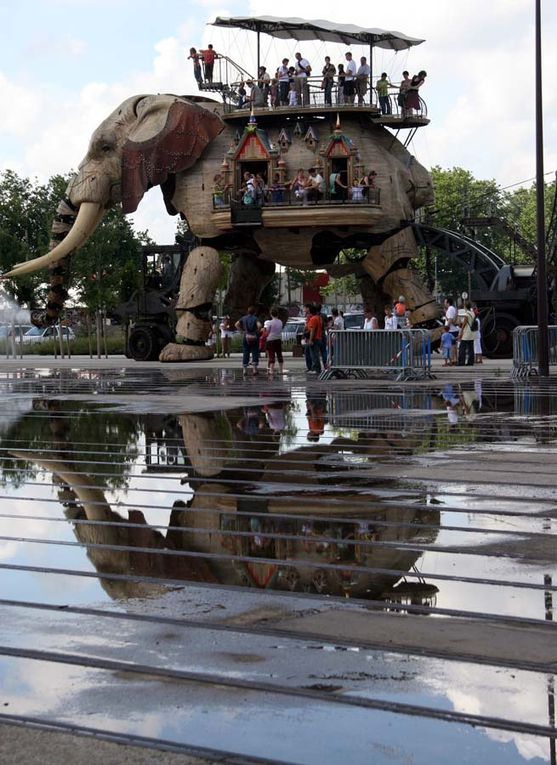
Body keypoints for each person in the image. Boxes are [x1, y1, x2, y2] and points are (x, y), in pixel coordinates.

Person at [235, 306, 262, 376]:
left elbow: (236, 324)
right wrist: (257, 332)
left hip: (246, 336)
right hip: (254, 337)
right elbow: (259, 326)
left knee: (246, 352)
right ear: (254, 312)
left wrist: (242, 331)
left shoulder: (244, 318)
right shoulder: (255, 318)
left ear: (248, 311)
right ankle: (254, 369)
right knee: (255, 352)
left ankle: (244, 370)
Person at [265, 307, 285, 375]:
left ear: (271, 314)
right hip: (278, 339)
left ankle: (271, 370)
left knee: (271, 355)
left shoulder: (270, 323)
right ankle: (281, 370)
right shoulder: (280, 322)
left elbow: (267, 332)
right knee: (279, 354)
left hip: (271, 340)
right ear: (277, 314)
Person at [305, 303, 323, 374]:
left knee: (314, 355)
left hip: (315, 339)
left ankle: (316, 369)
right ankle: (316, 368)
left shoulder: (313, 319)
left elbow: (312, 330)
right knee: (315, 354)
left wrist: (310, 340)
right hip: (319, 338)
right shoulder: (319, 317)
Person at [457, 300, 476, 366]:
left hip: (467, 332)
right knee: (471, 348)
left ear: (465, 306)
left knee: (462, 348)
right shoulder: (473, 313)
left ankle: (461, 362)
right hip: (472, 332)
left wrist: (461, 332)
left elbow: (464, 324)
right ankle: (470, 362)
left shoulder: (467, 314)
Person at [444, 297, 459, 364]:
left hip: (451, 330)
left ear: (448, 303)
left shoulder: (450, 309)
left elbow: (450, 319)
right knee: (454, 345)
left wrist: (446, 328)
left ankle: (453, 359)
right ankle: (455, 359)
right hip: (454, 329)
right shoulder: (453, 308)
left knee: (452, 346)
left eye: (445, 302)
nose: (444, 303)